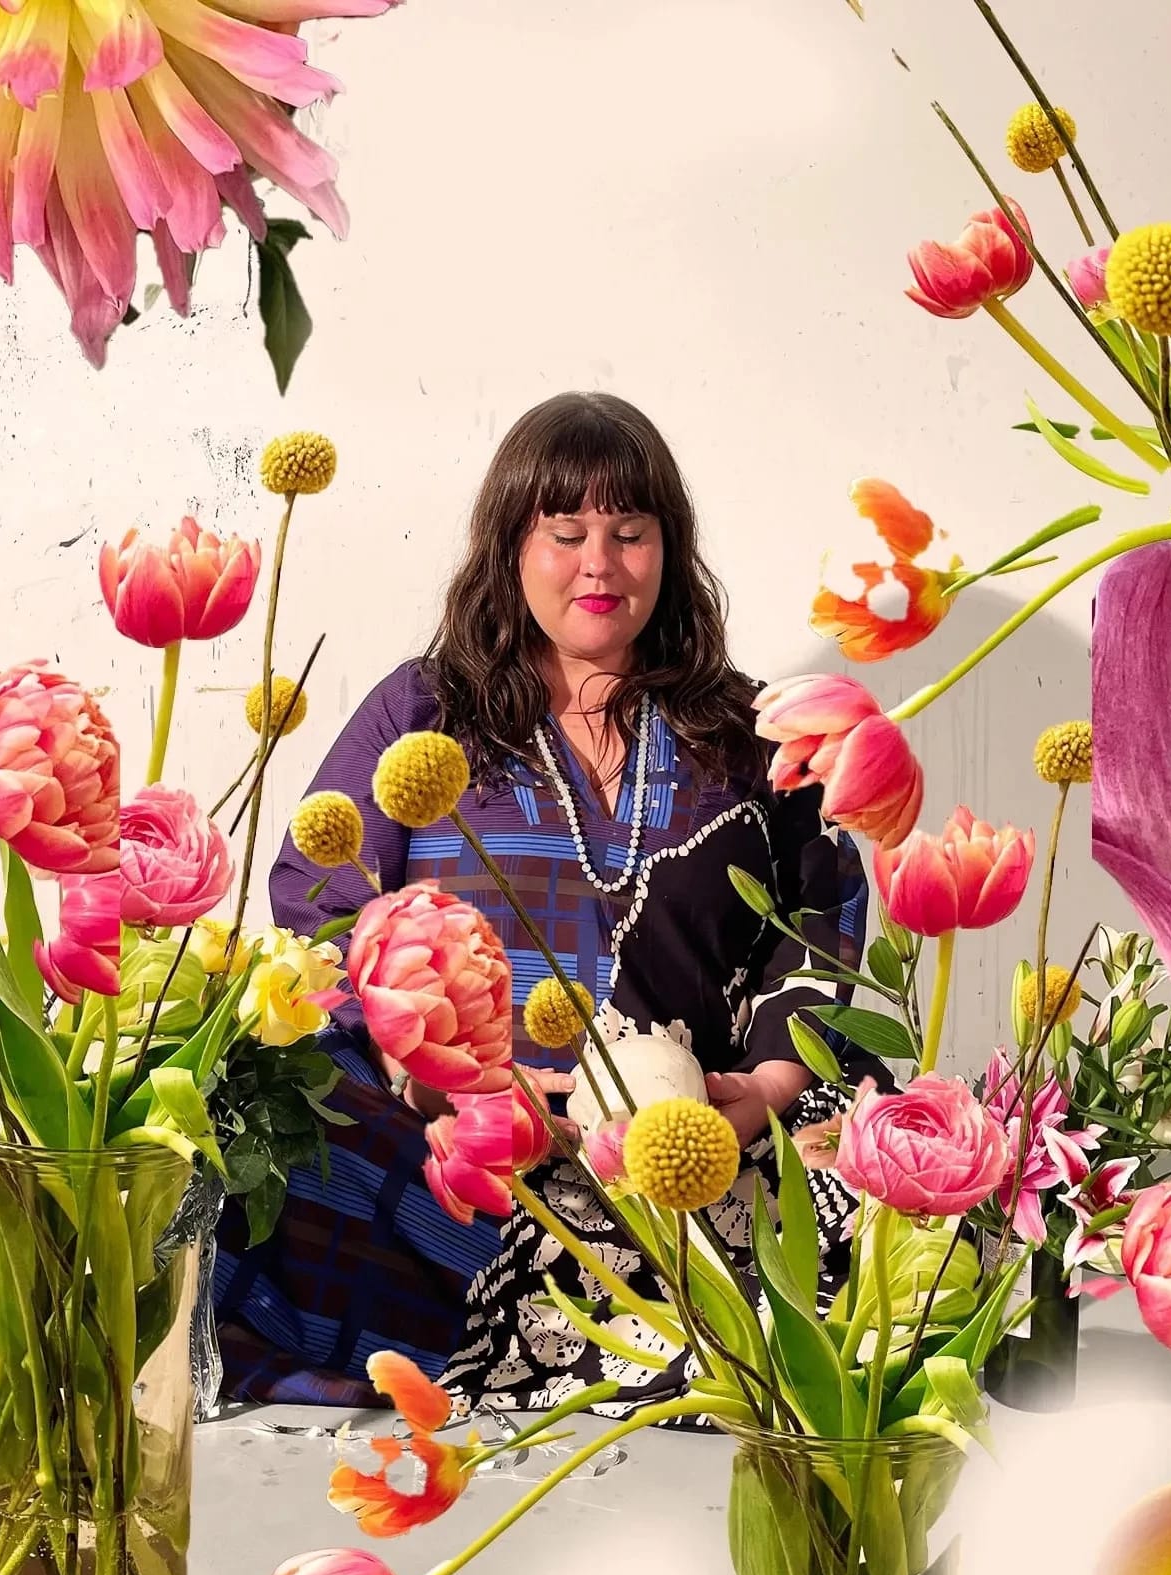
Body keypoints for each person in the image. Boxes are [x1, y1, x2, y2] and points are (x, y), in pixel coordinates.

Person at [215, 392, 886, 1414]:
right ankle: (517, 1336)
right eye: (566, 533)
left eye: (629, 532)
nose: (600, 565)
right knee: (260, 1092)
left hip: (685, 1160)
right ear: (510, 550)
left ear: (672, 547)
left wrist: (763, 1093)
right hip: (454, 1158)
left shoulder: (752, 735)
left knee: (906, 1170)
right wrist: (424, 1072)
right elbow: (322, 902)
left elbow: (823, 923)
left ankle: (648, 1329)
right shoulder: (424, 711)